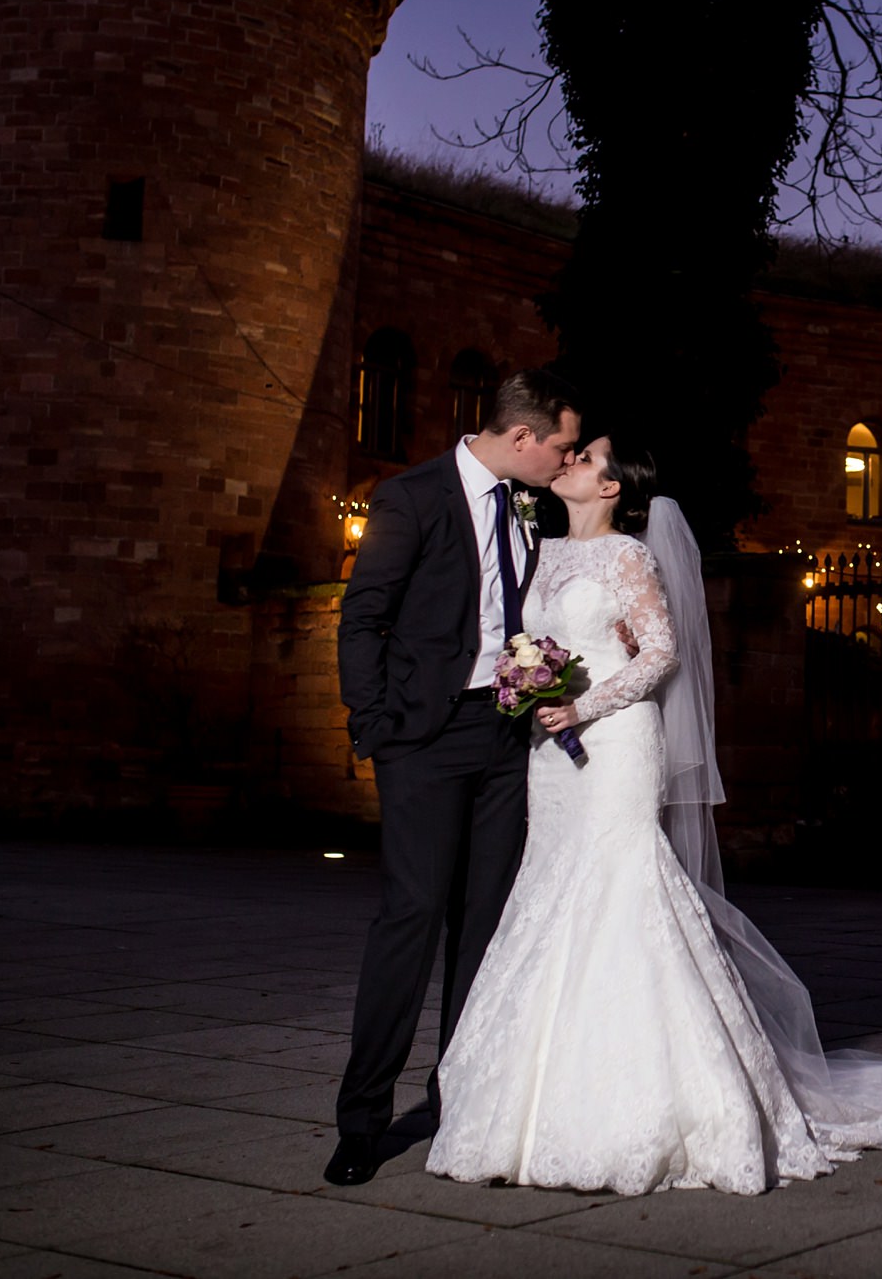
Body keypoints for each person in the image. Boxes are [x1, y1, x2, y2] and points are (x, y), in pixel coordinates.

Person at [427, 435, 882, 1195]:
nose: (571, 457)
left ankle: (656, 1102)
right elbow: (524, 640)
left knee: (622, 891)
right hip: (553, 756)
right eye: (572, 451)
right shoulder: (539, 552)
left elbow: (661, 653)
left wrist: (584, 702)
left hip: (615, 746)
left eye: (589, 456)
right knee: (549, 887)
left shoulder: (629, 557)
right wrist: (528, 683)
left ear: (612, 488)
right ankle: (521, 1106)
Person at [326, 369, 583, 1187]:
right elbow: (363, 615)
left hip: (504, 740)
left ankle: (459, 1101)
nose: (566, 458)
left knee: (484, 931)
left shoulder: (528, 506)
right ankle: (362, 1119)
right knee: (411, 916)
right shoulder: (411, 497)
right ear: (520, 438)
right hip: (423, 741)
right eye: (561, 445)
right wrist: (376, 728)